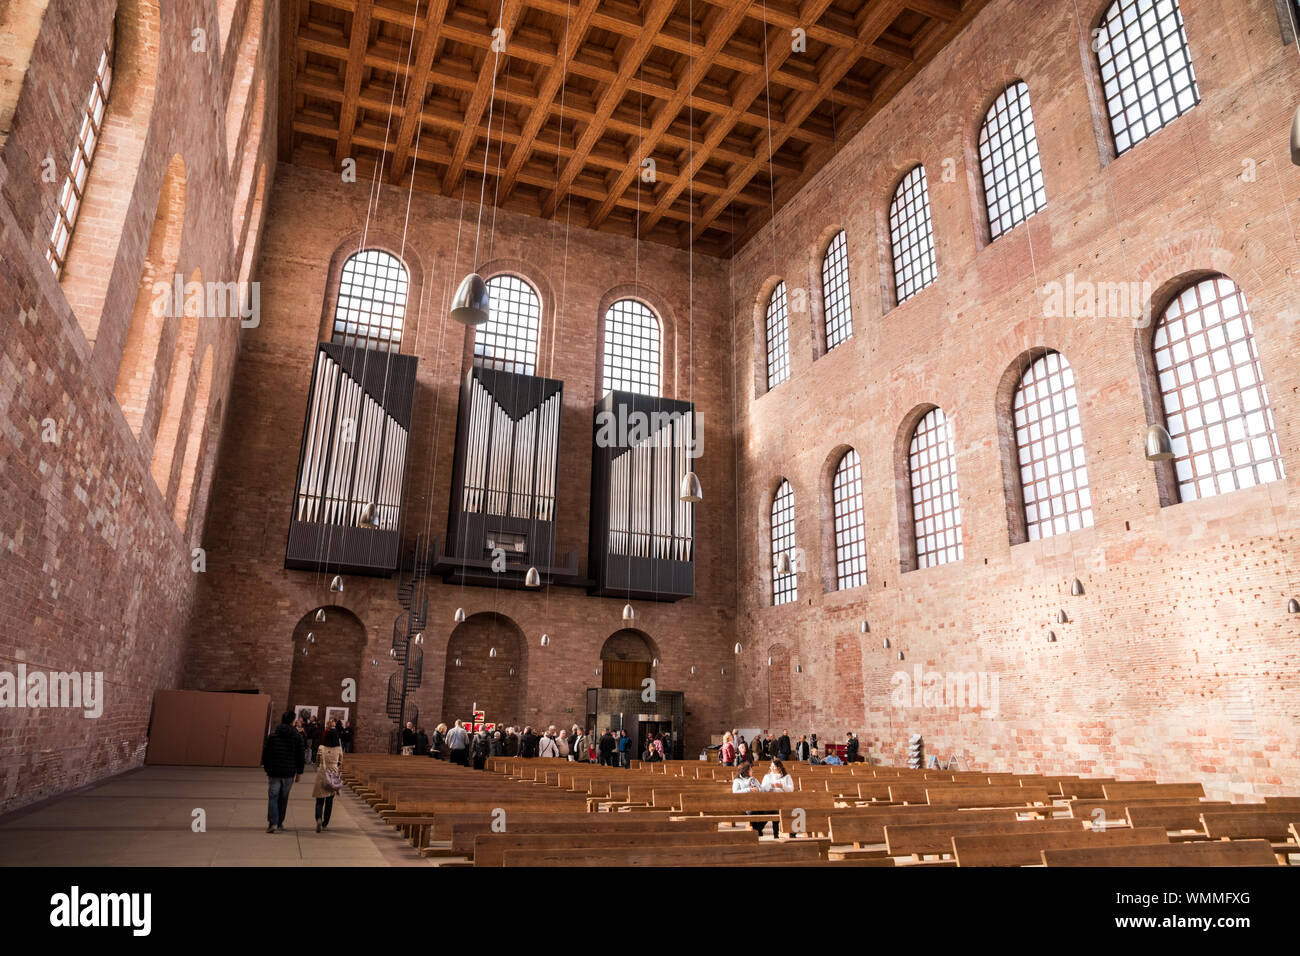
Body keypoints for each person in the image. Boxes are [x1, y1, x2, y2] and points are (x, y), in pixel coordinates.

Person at [261, 711, 304, 833]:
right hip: (289, 772)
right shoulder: (297, 736)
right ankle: (279, 822)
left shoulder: (273, 735)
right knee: (283, 798)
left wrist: (267, 767)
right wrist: (299, 773)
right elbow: (300, 756)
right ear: (292, 721)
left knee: (273, 797)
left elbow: (266, 753)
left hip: (274, 771)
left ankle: (273, 822)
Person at [313, 725, 343, 832]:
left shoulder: (321, 748)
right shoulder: (338, 749)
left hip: (322, 773)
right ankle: (325, 824)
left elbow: (316, 761)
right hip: (333, 774)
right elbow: (340, 762)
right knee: (329, 802)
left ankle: (319, 819)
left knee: (319, 800)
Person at [758, 758, 794, 836]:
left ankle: (790, 833)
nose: (771, 768)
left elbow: (791, 789)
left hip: (784, 801)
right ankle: (759, 829)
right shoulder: (767, 777)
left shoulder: (787, 777)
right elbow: (763, 789)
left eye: (773, 766)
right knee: (769, 811)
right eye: (771, 766)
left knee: (785, 811)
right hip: (770, 801)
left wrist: (782, 786)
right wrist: (770, 786)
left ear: (779, 767)